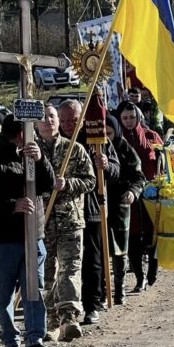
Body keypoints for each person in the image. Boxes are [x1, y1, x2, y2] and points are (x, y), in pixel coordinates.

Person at [0, 114, 62, 347]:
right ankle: (11, 342)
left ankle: (35, 341)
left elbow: (49, 184)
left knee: (34, 289)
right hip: (4, 239)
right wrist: (12, 205)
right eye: (31, 130)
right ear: (22, 133)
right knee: (5, 293)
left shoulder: (31, 156)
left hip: (33, 235)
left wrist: (41, 159)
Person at [36, 103, 95, 340]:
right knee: (47, 272)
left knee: (70, 269)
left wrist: (68, 184)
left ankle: (68, 317)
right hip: (43, 222)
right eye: (43, 118)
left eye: (52, 117)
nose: (48, 121)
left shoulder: (75, 149)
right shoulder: (30, 152)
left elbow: (90, 181)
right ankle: (50, 321)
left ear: (58, 121)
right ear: (36, 124)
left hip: (70, 219)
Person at [59, 99, 120, 325]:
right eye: (63, 120)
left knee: (91, 261)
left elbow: (115, 169)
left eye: (72, 120)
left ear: (81, 119)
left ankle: (92, 304)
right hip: (62, 212)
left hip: (91, 208)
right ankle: (64, 306)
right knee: (65, 263)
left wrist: (105, 164)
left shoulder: (96, 137)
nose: (67, 125)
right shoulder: (54, 141)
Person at [117, 101, 164, 292]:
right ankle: (139, 276)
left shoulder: (151, 136)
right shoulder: (115, 140)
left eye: (132, 117)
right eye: (125, 118)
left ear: (138, 117)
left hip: (152, 194)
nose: (129, 121)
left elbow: (166, 162)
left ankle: (152, 269)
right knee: (133, 237)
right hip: (128, 194)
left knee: (153, 235)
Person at [104, 114, 145, 304]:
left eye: (109, 133)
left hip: (120, 203)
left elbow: (139, 177)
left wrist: (133, 192)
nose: (106, 136)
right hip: (99, 204)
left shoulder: (125, 148)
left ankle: (119, 289)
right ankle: (103, 290)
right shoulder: (94, 147)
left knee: (120, 249)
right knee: (101, 249)